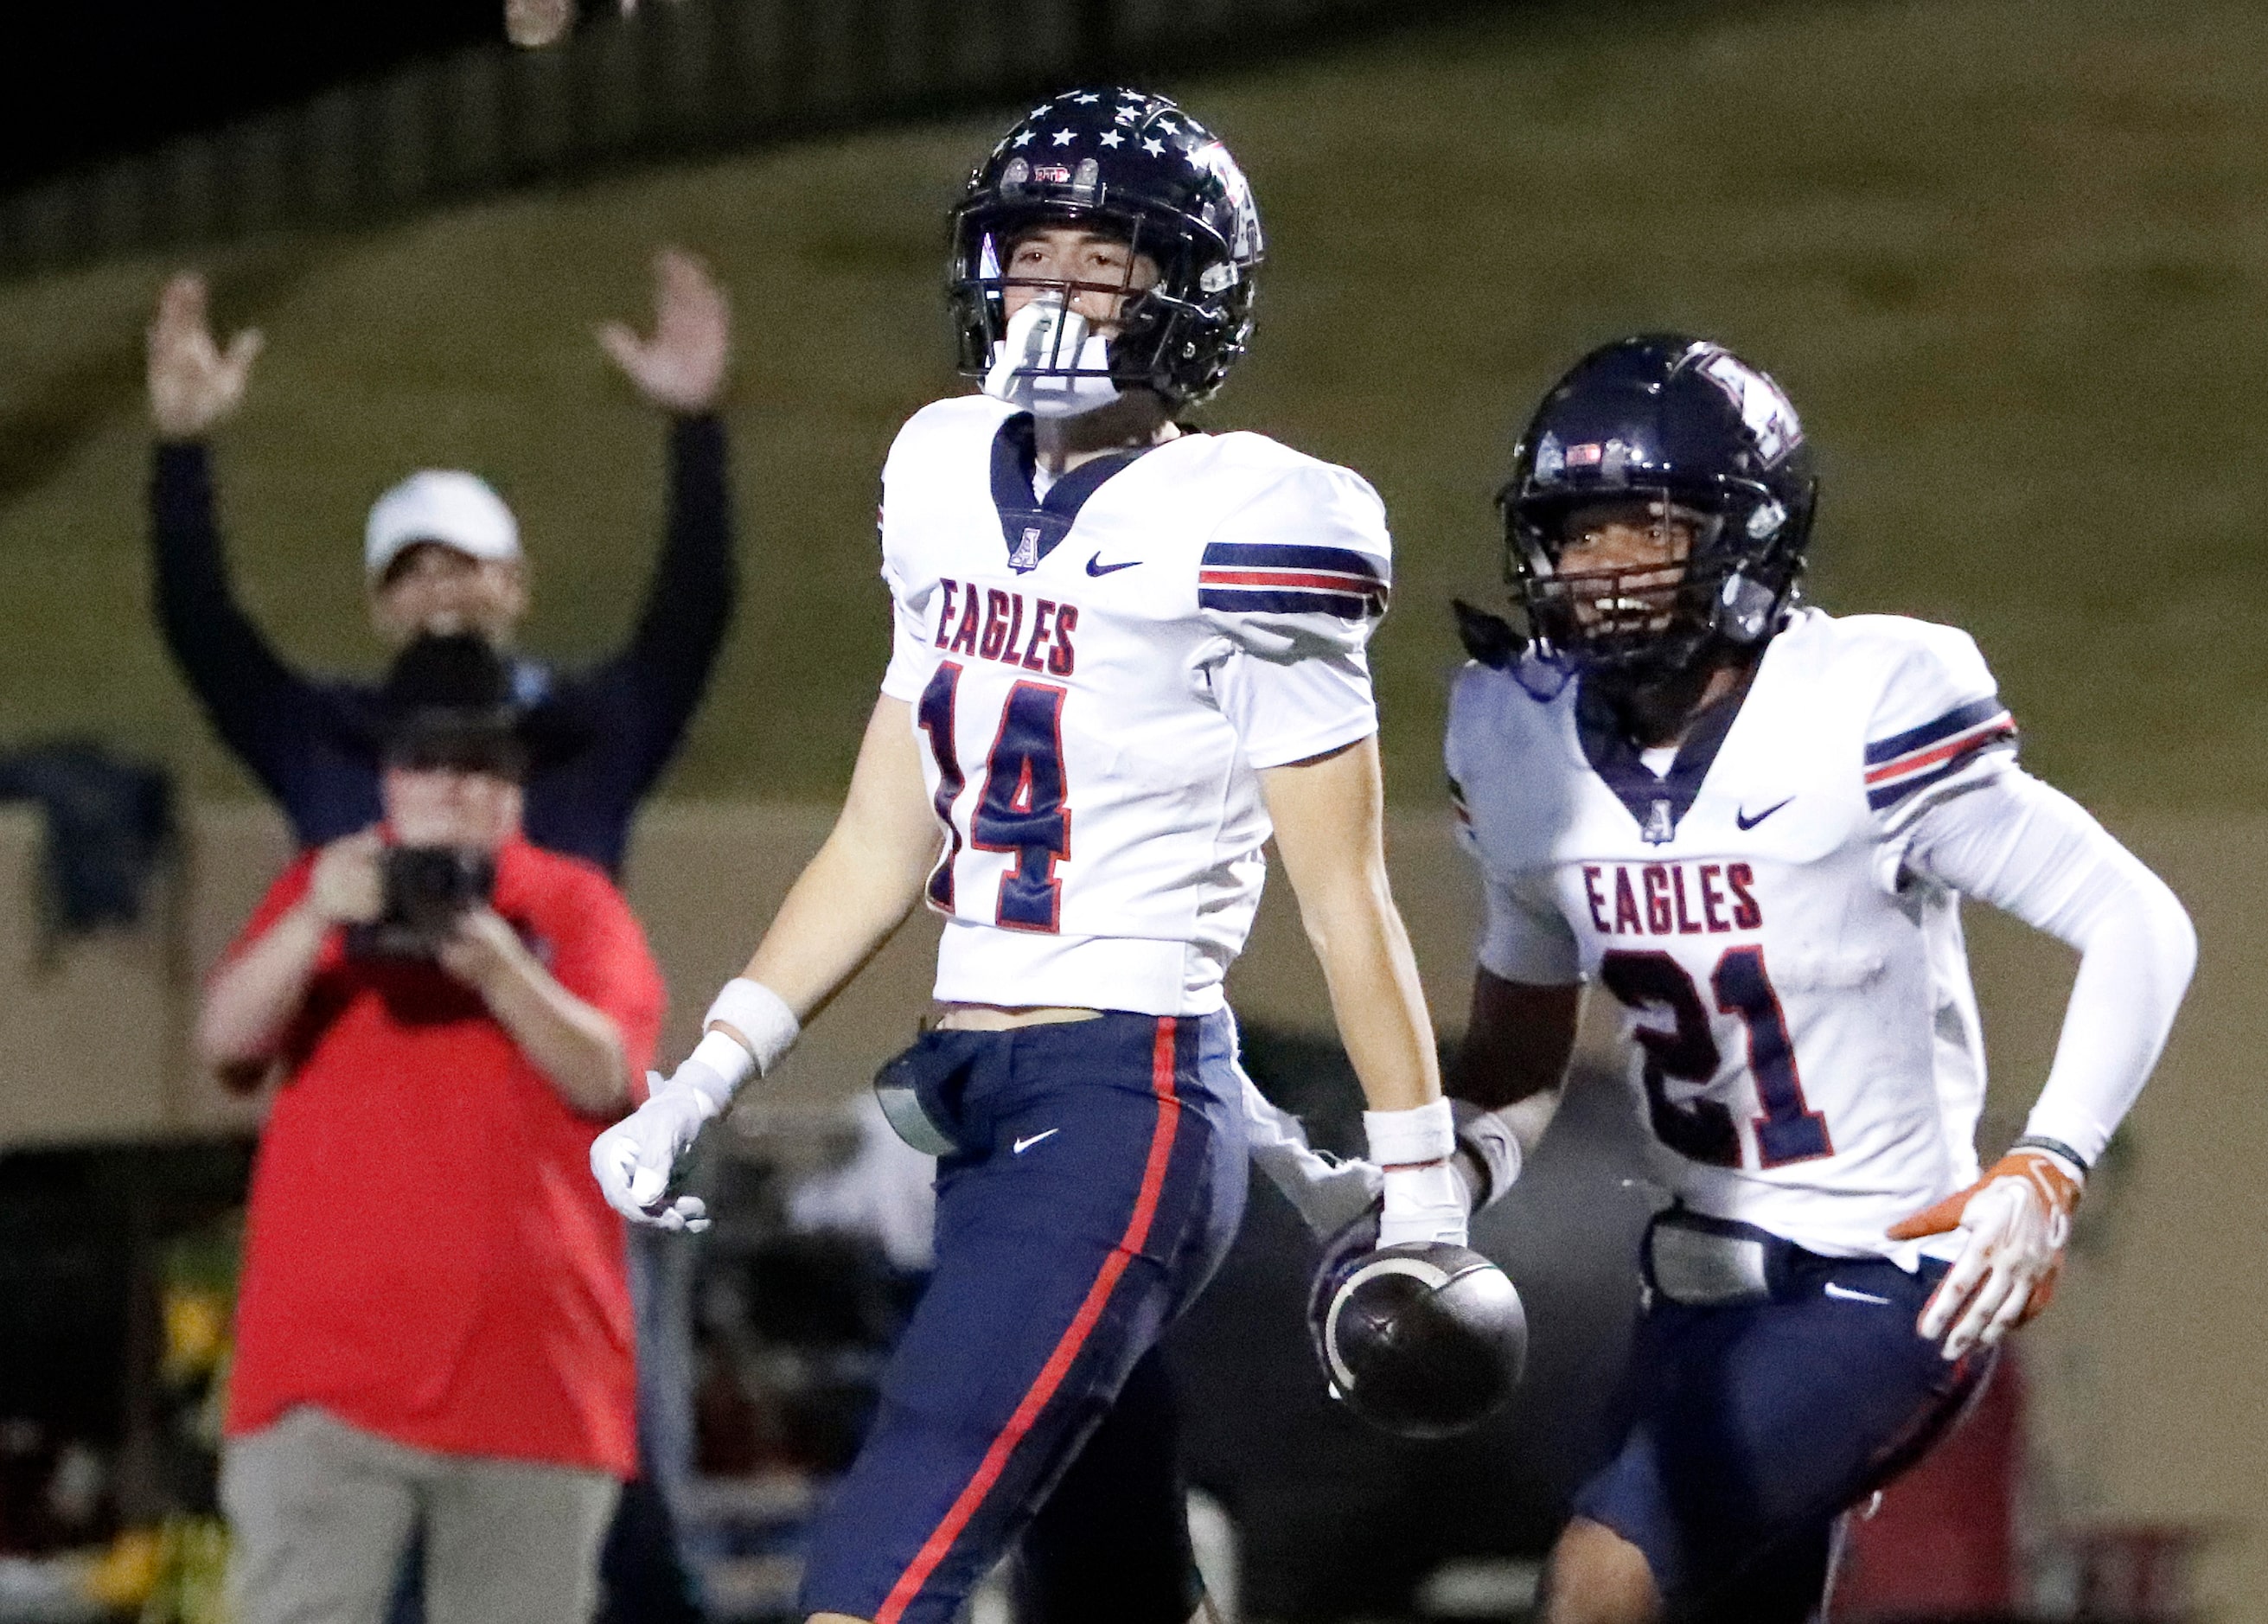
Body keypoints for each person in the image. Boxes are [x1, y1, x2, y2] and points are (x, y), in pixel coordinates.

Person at [587, 86, 1472, 1624]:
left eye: (1102, 254)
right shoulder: (938, 471)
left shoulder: (1252, 523)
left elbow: (1346, 895)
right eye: (1029, 246)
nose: (1052, 285)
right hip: (982, 1109)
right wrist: (711, 1068)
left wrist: (1418, 1185)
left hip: (1121, 1096)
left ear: (1181, 293)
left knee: (874, 1581)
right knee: (1111, 1577)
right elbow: (884, 830)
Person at [1436, 336, 2197, 1623]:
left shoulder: (1860, 708)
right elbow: (1514, 1046)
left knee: (1598, 1578)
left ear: (1744, 535)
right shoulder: (1518, 743)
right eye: (1575, 534)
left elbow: (2136, 921)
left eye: (1643, 531)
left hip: (1882, 1278)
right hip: (1685, 1290)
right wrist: (1431, 1180)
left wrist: (2049, 1161)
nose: (1600, 570)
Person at [199, 633, 666, 1624]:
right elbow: (226, 1042)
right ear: (388, 779)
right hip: (322, 1392)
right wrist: (310, 921)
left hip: (531, 1398)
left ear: (516, 788)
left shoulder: (572, 906)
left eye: (481, 767)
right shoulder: (324, 893)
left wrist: (496, 966)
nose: (452, 790)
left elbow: (606, 1076)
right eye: (427, 763)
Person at [144, 246, 734, 876]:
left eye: (463, 565)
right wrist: (183, 449)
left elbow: (693, 608)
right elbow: (198, 620)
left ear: (514, 586)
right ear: (379, 608)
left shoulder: (587, 733)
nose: (439, 589)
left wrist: (694, 426)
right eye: (410, 572)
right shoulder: (325, 736)